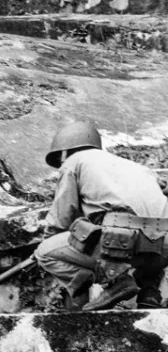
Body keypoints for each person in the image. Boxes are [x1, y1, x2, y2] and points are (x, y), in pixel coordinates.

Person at [33, 120, 168, 311]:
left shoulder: (74, 161)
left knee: (45, 252)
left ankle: (116, 282)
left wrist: (48, 243)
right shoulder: (136, 167)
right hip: (163, 250)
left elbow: (61, 217)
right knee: (151, 232)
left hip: (124, 243)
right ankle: (150, 293)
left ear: (64, 151)